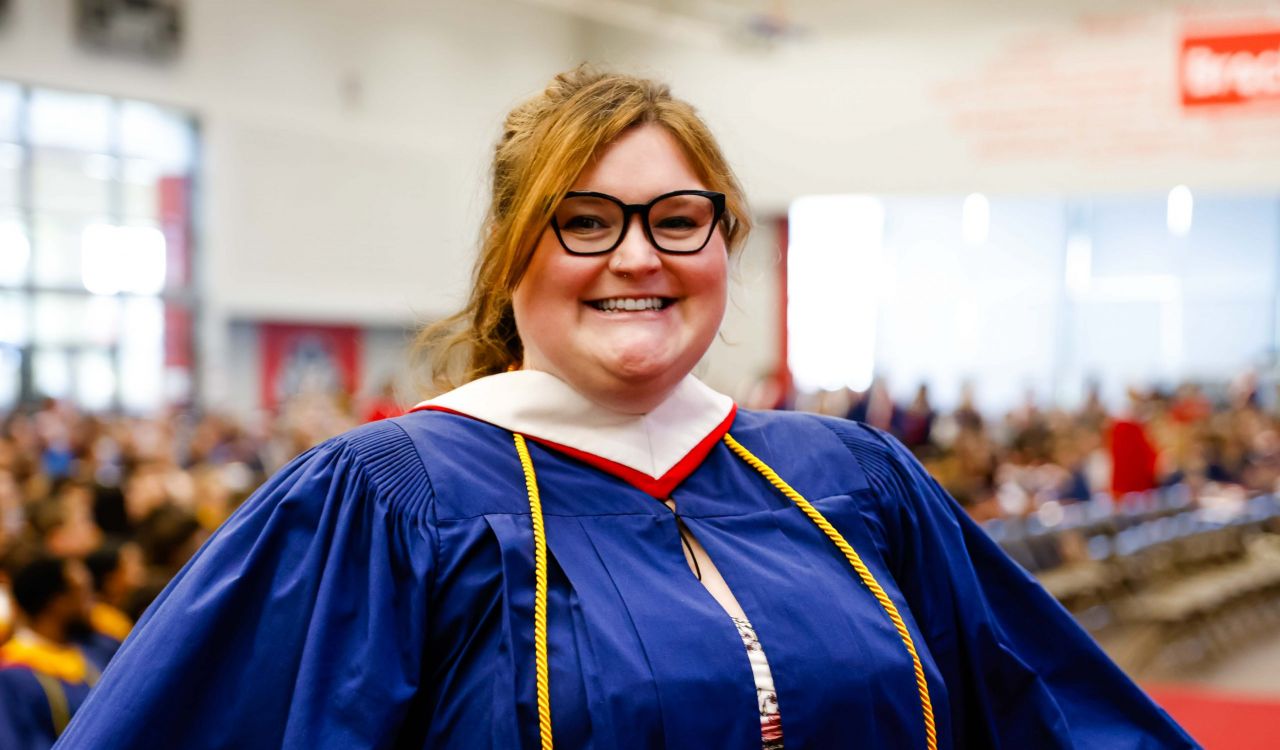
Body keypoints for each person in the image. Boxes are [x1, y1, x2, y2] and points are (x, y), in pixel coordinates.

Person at [55, 67, 1196, 749]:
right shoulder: (390, 505)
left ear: (724, 242)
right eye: (583, 220)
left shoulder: (848, 480)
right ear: (511, 254)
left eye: (676, 218)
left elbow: (1053, 711)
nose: (635, 257)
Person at [1, 555, 118, 749]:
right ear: (57, 602)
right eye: (82, 591)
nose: (93, 600)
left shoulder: (100, 649)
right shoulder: (10, 675)